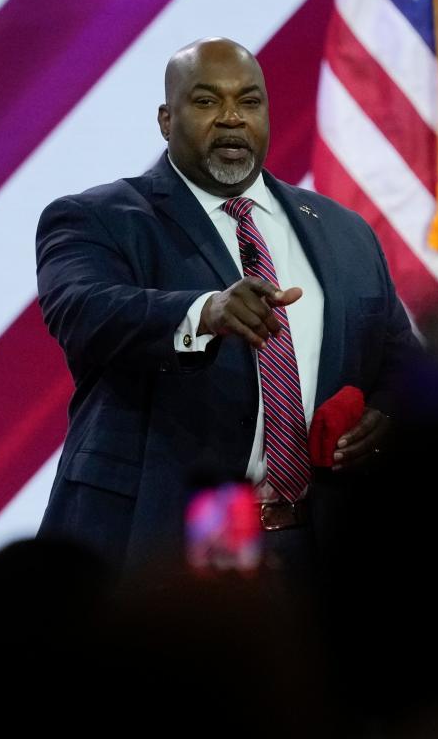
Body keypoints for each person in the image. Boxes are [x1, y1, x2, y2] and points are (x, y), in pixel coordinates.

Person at [35, 37, 418, 578]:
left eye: (250, 102)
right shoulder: (98, 218)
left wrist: (388, 415)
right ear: (167, 120)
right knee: (197, 662)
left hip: (320, 539)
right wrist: (205, 312)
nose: (232, 119)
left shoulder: (342, 231)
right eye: (207, 101)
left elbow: (400, 361)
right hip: (175, 533)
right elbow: (83, 311)